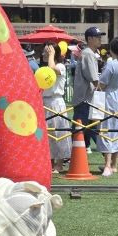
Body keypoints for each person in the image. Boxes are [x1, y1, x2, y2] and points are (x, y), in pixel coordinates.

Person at [96, 38, 118, 177]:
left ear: (112, 50)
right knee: (116, 130)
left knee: (106, 130)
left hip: (109, 98)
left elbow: (102, 84)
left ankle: (107, 165)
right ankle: (114, 164)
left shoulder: (111, 64)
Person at [73, 26, 104, 152]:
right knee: (81, 127)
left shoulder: (89, 53)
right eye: (97, 37)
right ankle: (106, 152)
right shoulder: (88, 54)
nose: (100, 39)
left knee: (90, 127)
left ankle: (106, 152)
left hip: (86, 97)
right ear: (90, 39)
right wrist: (103, 89)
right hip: (85, 98)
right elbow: (93, 77)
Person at [42, 43, 72, 173]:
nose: (43, 54)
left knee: (59, 133)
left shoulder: (60, 66)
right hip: (44, 102)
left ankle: (59, 164)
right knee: (47, 135)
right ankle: (49, 163)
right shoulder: (43, 68)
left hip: (56, 102)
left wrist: (52, 55)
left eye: (46, 51)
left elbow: (52, 69)